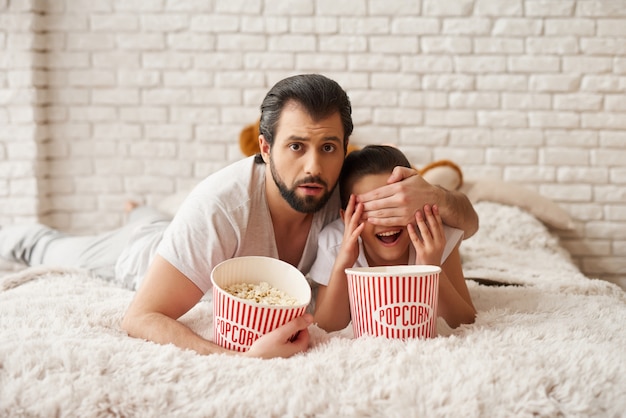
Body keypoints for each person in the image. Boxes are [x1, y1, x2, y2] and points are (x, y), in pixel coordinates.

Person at [0, 74, 479, 358]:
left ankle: (140, 209)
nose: (313, 166)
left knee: (152, 218)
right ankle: (28, 232)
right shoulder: (219, 207)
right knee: (51, 245)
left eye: (328, 147)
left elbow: (468, 224)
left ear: (344, 151)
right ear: (265, 149)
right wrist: (241, 358)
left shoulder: (345, 192)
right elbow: (140, 317)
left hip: (179, 231)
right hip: (142, 255)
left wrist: (433, 194)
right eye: (296, 147)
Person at [309, 145, 477, 333]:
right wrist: (343, 263)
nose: (386, 220)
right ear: (345, 216)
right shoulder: (335, 241)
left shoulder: (437, 234)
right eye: (371, 209)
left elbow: (466, 322)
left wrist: (431, 269)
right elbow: (324, 328)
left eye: (394, 205)